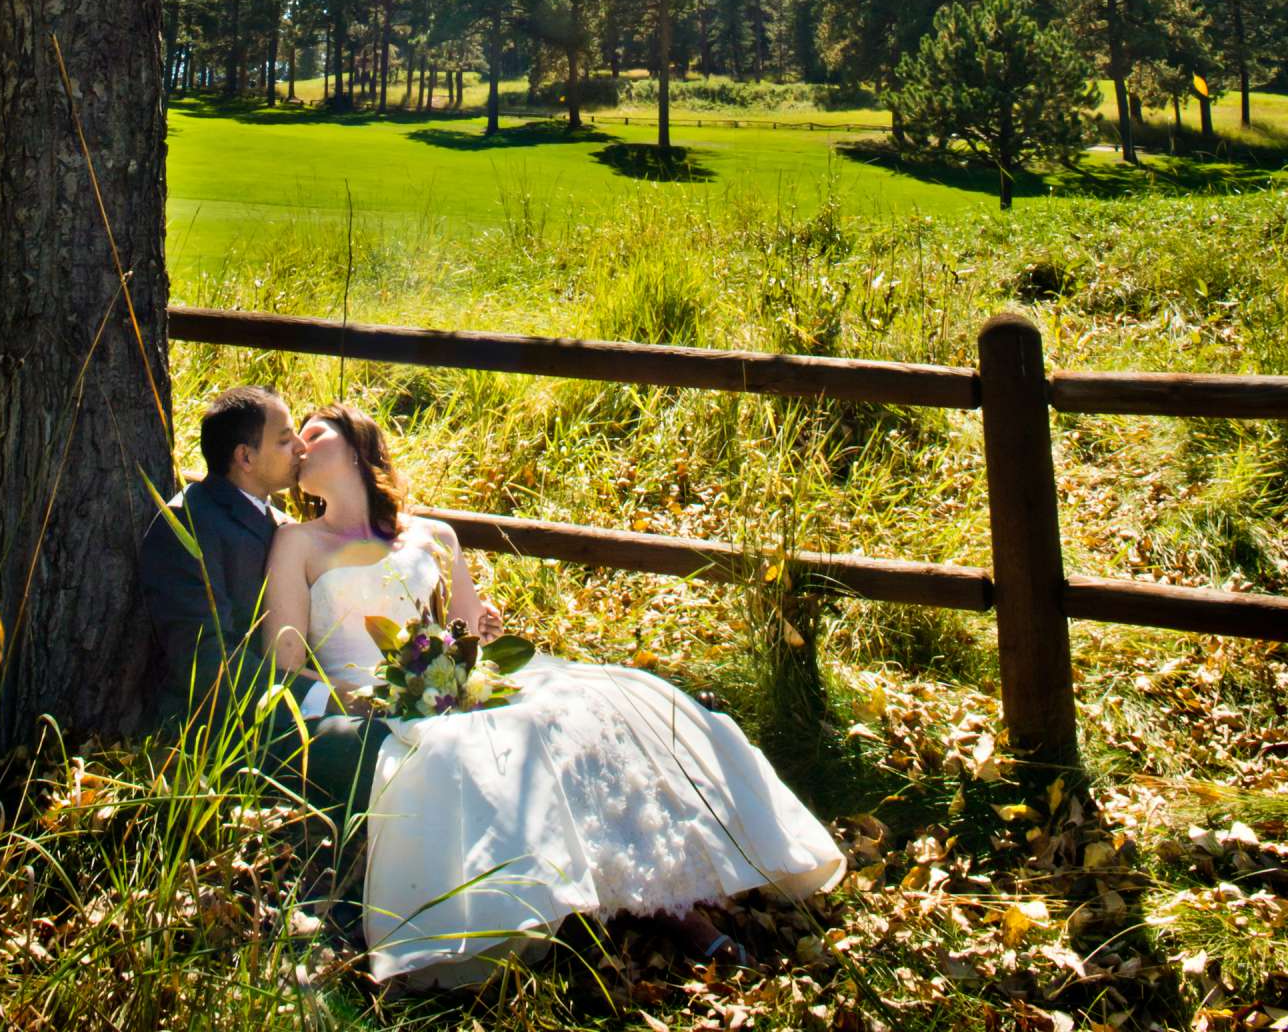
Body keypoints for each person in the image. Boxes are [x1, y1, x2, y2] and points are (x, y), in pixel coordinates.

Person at [265, 402, 846, 987]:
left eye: (312, 433)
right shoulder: (297, 543)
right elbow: (286, 662)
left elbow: (467, 636)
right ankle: (583, 911)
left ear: (359, 446)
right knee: (486, 746)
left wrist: (476, 637)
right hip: (382, 701)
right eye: (291, 440)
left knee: (602, 704)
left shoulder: (433, 536)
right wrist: (376, 694)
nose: (300, 447)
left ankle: (668, 900)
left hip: (453, 685)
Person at [138, 385, 388, 873]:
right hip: (221, 725)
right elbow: (209, 662)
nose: (300, 448)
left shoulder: (280, 522)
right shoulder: (188, 522)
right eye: (284, 439)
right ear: (245, 457)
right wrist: (323, 698)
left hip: (287, 699)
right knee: (374, 747)